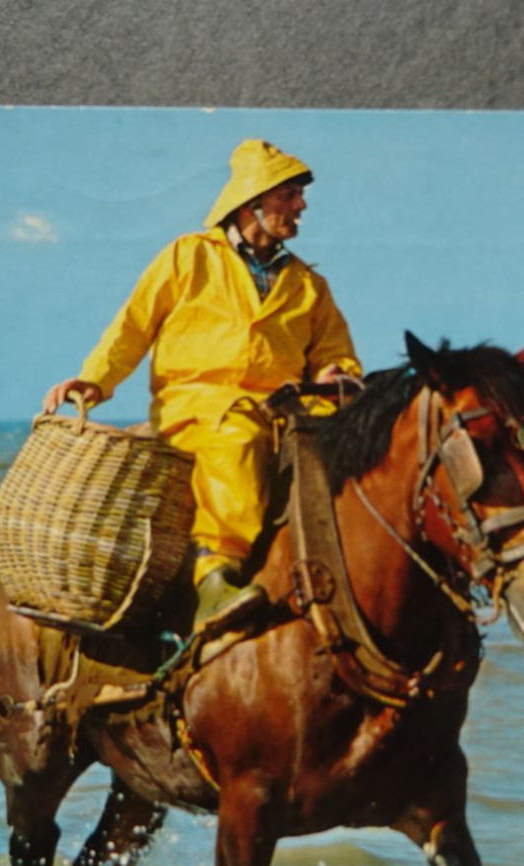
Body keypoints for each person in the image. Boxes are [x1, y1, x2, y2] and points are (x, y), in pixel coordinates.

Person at [43, 139, 361, 630]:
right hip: (198, 405)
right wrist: (94, 381)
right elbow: (133, 327)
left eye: (300, 195)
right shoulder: (187, 256)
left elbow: (335, 353)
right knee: (237, 436)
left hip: (283, 409)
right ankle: (216, 572)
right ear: (253, 200)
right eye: (290, 194)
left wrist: (335, 375)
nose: (301, 206)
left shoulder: (308, 285)